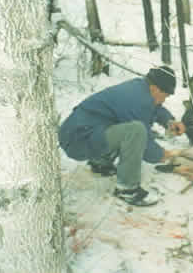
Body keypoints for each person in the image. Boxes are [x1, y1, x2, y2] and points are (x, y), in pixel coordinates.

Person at [58, 66, 186, 207]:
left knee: (124, 127)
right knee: (136, 131)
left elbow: (153, 107)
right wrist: (164, 155)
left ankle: (101, 161)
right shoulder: (138, 99)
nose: (164, 100)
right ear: (156, 89)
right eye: (165, 96)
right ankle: (127, 189)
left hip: (79, 132)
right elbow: (147, 149)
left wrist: (169, 121)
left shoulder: (141, 89)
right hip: (78, 140)